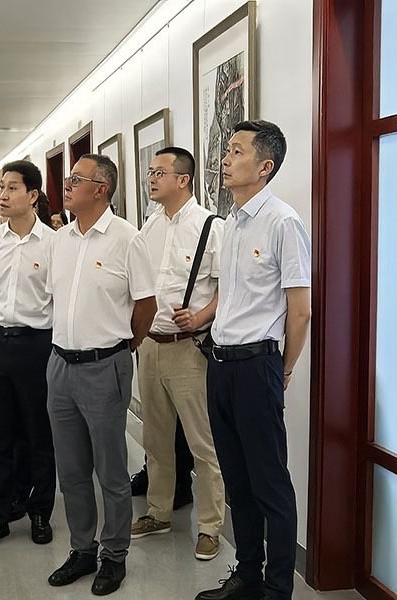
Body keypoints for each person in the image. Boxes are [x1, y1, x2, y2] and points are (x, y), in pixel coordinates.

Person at [196, 121, 311, 600]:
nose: (225, 159)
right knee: (237, 480)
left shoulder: (283, 222)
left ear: (264, 166)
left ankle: (278, 589)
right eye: (227, 150)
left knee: (270, 484)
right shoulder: (232, 223)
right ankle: (247, 574)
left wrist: (284, 369)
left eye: (237, 151)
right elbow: (231, 296)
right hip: (221, 365)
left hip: (257, 366)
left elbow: (300, 310)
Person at [46, 154, 156, 596]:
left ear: (101, 189)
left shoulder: (127, 239)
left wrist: (122, 348)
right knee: (71, 469)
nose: (67, 185)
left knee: (111, 470)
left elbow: (145, 305)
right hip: (60, 366)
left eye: (76, 179)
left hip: (104, 365)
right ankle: (82, 549)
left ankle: (114, 554)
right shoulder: (61, 239)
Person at [129, 146, 226, 562]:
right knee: (156, 438)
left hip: (189, 349)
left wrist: (201, 315)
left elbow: (228, 287)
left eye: (159, 172)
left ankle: (210, 527)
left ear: (183, 180)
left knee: (203, 443)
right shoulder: (150, 225)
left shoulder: (210, 227)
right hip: (150, 345)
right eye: (151, 172)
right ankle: (159, 512)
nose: (151, 178)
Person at [0, 160, 56, 550]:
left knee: (38, 432)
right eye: (0, 187)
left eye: (12, 188)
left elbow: (57, 297)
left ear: (33, 195)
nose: (2, 195)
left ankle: (40, 511)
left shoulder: (53, 242)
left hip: (37, 345)